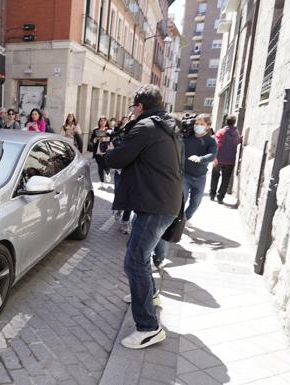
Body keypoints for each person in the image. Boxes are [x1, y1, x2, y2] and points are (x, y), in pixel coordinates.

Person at [104, 84, 183, 349]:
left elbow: (118, 158)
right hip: (162, 201)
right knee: (139, 252)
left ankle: (148, 328)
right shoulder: (166, 125)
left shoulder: (145, 127)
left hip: (155, 205)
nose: (133, 112)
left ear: (139, 107)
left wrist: (105, 153)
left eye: (133, 107)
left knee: (134, 261)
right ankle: (152, 294)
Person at [184, 114, 217, 219]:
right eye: (197, 124)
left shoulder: (211, 141)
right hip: (185, 175)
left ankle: (184, 219)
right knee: (181, 200)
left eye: (202, 124)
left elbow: (212, 155)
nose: (198, 126)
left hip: (200, 177)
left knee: (196, 202)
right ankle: (175, 221)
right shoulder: (187, 138)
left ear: (207, 126)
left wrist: (201, 159)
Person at [210, 115, 241, 204]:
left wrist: (214, 157)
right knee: (225, 179)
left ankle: (212, 194)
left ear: (225, 122)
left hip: (219, 159)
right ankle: (220, 197)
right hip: (230, 160)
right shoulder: (236, 133)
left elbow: (216, 145)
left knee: (215, 176)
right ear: (234, 122)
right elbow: (239, 141)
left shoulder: (221, 132)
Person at [91, 116, 111, 184]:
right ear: (99, 122)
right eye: (101, 121)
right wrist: (96, 138)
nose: (102, 122)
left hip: (106, 150)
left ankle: (107, 173)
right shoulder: (95, 130)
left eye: (104, 121)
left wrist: (105, 137)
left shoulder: (109, 130)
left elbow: (111, 139)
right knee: (100, 167)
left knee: (106, 165)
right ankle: (101, 181)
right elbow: (92, 141)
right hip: (98, 151)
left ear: (106, 122)